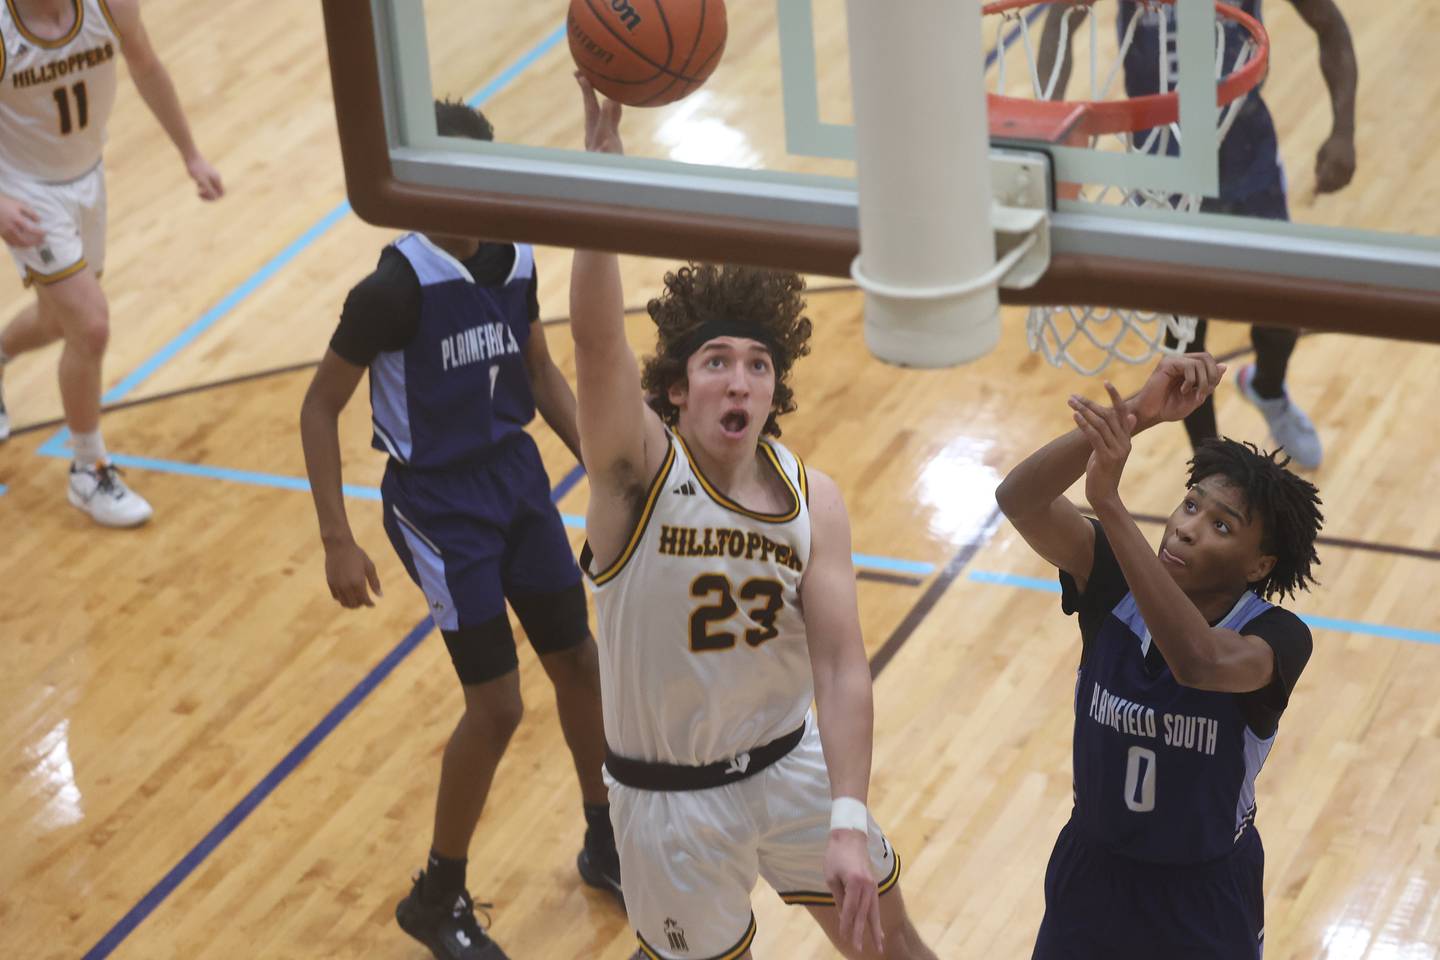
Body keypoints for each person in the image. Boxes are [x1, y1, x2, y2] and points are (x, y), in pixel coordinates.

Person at [570, 76, 937, 960]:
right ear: (674, 387)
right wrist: (600, 192)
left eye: (759, 365)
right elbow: (593, 342)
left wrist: (847, 817)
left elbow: (844, 665)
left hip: (789, 764)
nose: (740, 380)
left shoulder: (815, 500)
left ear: (776, 390)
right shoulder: (636, 475)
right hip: (668, 804)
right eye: (716, 361)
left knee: (895, 947)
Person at [298, 98, 621, 960]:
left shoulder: (514, 257)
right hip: (438, 508)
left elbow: (540, 370)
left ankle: (605, 838)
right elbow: (320, 406)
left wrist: (607, 471)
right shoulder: (391, 290)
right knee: (499, 704)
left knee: (579, 662)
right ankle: (437, 895)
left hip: (514, 481)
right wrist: (337, 536)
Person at [995, 353, 1324, 959]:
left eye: (1222, 526)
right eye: (1191, 504)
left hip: (1201, 893)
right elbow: (1019, 499)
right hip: (1093, 872)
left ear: (1259, 566)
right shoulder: (1114, 581)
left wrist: (1111, 505)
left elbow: (1198, 664)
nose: (1189, 527)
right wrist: (1138, 416)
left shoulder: (1277, 637)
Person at [1039, 0, 1358, 468]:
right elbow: (1058, 23)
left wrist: (1343, 131)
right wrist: (1050, 122)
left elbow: (1330, 25)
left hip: (1246, 156)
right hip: (1162, 169)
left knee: (1282, 314)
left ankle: (1267, 390)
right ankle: (1208, 464)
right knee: (1186, 336)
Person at [0, 0, 224, 525]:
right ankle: (88, 468)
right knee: (92, 326)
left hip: (87, 177)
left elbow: (145, 65)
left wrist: (190, 153)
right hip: (25, 192)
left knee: (62, 321)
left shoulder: (109, 4)